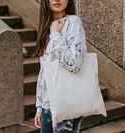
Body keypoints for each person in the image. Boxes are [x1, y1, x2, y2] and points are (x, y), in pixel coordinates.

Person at [33, 0, 87, 132]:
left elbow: (74, 63)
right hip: (48, 105)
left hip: (66, 103)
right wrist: (40, 107)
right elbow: (44, 71)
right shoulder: (47, 26)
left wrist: (56, 34)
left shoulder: (73, 22)